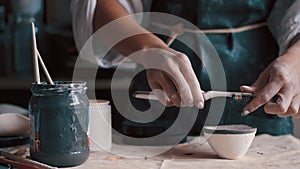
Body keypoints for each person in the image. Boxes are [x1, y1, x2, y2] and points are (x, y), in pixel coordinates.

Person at [70, 0, 300, 136]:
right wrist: (149, 49)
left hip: (261, 81)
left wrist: (295, 58)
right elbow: (97, 5)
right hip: (159, 83)